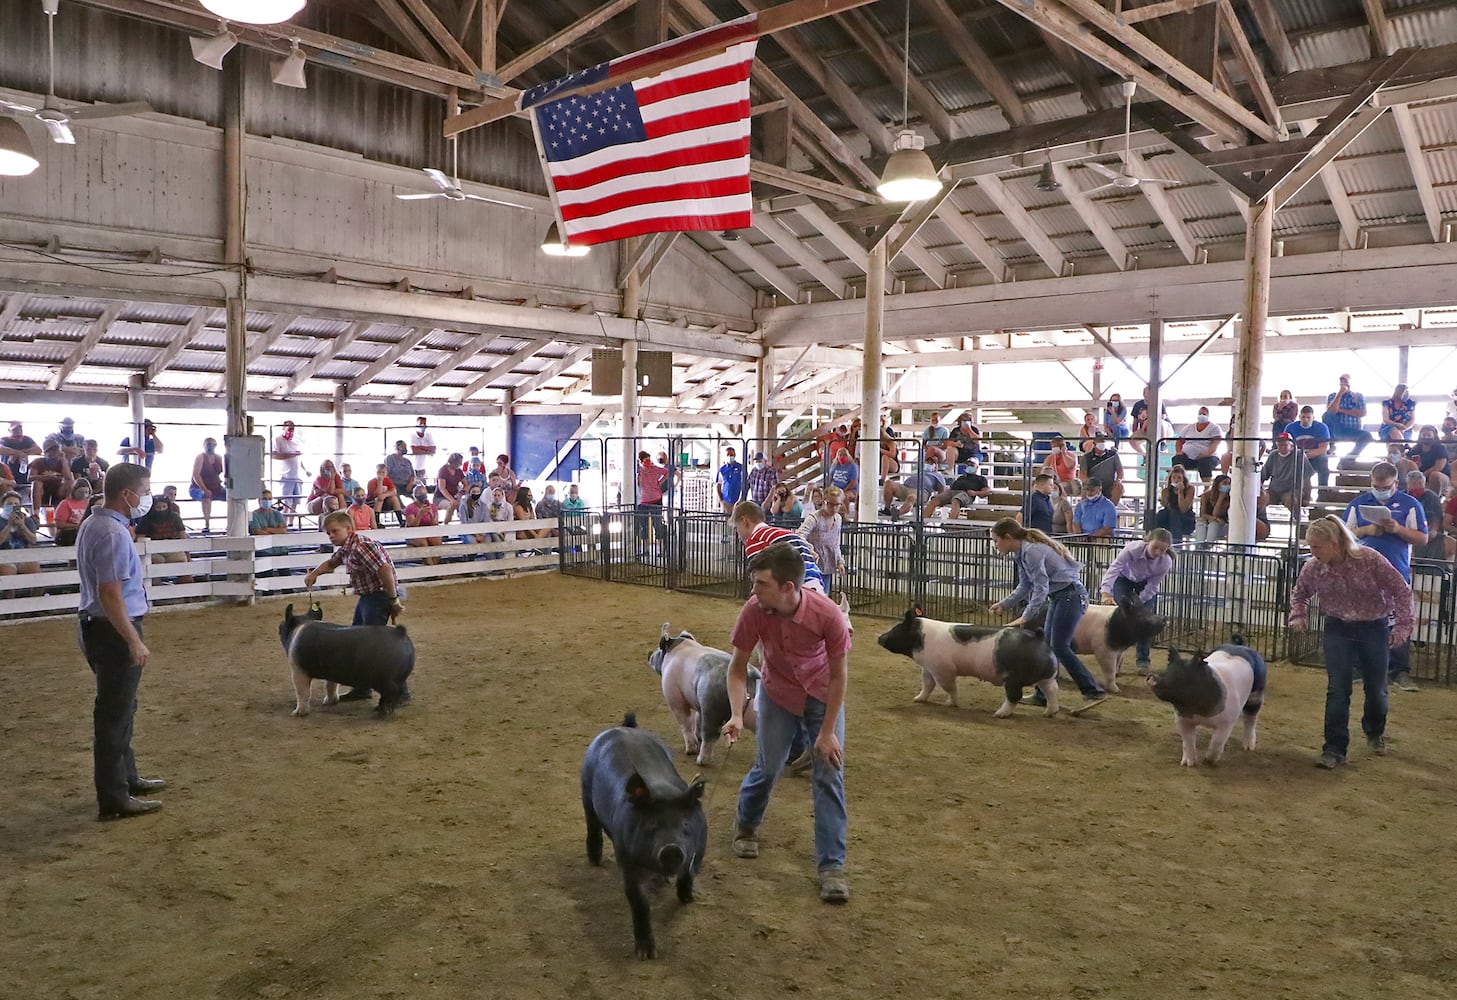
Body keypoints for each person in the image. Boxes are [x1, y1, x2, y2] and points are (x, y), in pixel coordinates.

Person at [721, 542, 851, 904]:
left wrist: (826, 734)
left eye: (760, 583)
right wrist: (735, 713)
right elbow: (735, 670)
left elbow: (840, 677)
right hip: (777, 693)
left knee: (829, 771)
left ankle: (831, 866)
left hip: (823, 695)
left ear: (787, 588)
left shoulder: (828, 616)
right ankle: (746, 825)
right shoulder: (754, 611)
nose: (753, 591)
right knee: (769, 766)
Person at [75, 462, 165, 821]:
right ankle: (114, 797)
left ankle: (126, 779)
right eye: (144, 490)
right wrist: (133, 640)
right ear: (126, 494)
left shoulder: (95, 524)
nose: (146, 496)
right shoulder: (112, 533)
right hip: (113, 628)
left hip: (97, 626)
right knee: (114, 714)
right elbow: (110, 593)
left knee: (121, 707)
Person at [1289, 516, 1414, 769]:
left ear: (1334, 544)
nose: (1312, 552)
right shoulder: (1314, 567)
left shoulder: (1369, 559)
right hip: (1337, 627)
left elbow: (1402, 590)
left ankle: (1374, 731)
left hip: (1374, 627)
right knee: (1337, 688)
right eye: (1310, 547)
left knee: (1376, 689)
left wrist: (1402, 625)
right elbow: (1300, 592)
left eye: (1316, 547)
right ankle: (1334, 748)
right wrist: (1298, 614)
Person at [989, 518, 1108, 710]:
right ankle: (1043, 694)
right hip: (1062, 597)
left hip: (1070, 597)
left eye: (996, 540)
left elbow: (1041, 588)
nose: (996, 545)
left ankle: (1093, 690)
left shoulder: (1032, 552)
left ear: (1008, 537)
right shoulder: (1022, 552)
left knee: (1059, 646)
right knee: (1049, 645)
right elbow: (1025, 585)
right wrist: (1004, 603)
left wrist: (1027, 616)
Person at [304, 509, 406, 702]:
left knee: (373, 646)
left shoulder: (360, 546)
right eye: (328, 533)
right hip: (369, 598)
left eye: (334, 531)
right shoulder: (349, 547)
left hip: (377, 597)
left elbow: (385, 570)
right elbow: (332, 563)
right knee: (360, 643)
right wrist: (315, 574)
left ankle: (400, 692)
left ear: (348, 529)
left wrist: (393, 600)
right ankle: (363, 687)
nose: (331, 536)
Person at [1343, 461, 1426, 692]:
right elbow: (1343, 533)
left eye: (1385, 486)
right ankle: (1359, 667)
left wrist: (1397, 529)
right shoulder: (1358, 503)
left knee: (1399, 620)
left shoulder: (1410, 505)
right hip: (1362, 572)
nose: (1380, 490)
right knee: (1360, 619)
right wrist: (1366, 531)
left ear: (1395, 484)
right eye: (1376, 486)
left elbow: (1422, 538)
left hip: (1396, 572)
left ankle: (1398, 670)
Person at [1099, 528, 1174, 673]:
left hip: (1145, 585)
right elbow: (1115, 568)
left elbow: (1153, 585)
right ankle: (1115, 660)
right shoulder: (1132, 549)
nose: (1158, 552)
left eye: (1163, 550)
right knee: (1120, 618)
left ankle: (1142, 661)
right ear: (1147, 542)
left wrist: (1139, 603)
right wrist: (1105, 592)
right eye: (1155, 547)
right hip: (1123, 579)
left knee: (1146, 623)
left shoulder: (1165, 562)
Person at [133, 488, 192, 584]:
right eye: (158, 507)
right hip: (153, 551)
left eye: (164, 507)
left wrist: (187, 554)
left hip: (173, 549)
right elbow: (140, 537)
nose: (161, 510)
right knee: (154, 564)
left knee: (182, 564)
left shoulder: (175, 517)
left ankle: (188, 594)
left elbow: (182, 536)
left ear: (168, 506)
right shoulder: (147, 519)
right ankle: (155, 593)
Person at [1260, 432, 1314, 514]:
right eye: (1279, 445)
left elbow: (1307, 478)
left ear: (1291, 445)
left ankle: (1300, 523)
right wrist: (1260, 491)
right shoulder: (1273, 455)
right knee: (1261, 499)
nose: (1282, 447)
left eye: (1285, 445)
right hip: (1274, 490)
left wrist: (1307, 496)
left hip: (1292, 490)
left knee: (1291, 500)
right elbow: (1263, 475)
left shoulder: (1299, 455)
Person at [798, 487, 845, 580]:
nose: (834, 508)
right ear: (824, 501)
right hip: (813, 565)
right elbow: (799, 534)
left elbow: (836, 543)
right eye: (830, 504)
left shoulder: (838, 518)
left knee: (825, 593)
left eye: (837, 505)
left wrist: (840, 562)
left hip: (829, 564)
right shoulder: (814, 518)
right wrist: (810, 549)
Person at [1323, 373, 1372, 456]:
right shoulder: (1332, 396)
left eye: (1345, 380)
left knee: (1367, 436)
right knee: (1326, 416)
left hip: (1353, 430)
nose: (1343, 383)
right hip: (1337, 429)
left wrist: (1341, 410)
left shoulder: (1358, 396)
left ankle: (1351, 456)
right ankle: (1331, 446)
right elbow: (1330, 412)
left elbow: (1362, 412)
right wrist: (1340, 394)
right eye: (1341, 381)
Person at [28, 439, 73, 527]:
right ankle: (36, 515)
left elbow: (68, 478)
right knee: (37, 483)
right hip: (42, 492)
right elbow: (30, 478)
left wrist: (63, 460)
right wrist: (47, 477)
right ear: (46, 452)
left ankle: (70, 512)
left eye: (56, 450)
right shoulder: (38, 462)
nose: (54, 453)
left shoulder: (61, 462)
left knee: (69, 483)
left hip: (57, 491)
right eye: (51, 450)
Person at [634, 450, 670, 559]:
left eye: (649, 460)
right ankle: (645, 549)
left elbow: (667, 472)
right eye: (646, 461)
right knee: (643, 527)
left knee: (657, 525)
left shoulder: (654, 469)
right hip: (643, 501)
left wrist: (659, 482)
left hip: (655, 500)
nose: (648, 462)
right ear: (640, 461)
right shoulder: (638, 471)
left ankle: (661, 549)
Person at [1404, 470, 1445, 562]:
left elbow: (1436, 517)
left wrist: (1434, 529)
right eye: (1414, 483)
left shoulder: (1432, 497)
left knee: (1437, 538)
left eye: (1420, 483)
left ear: (1424, 483)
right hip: (1407, 530)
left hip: (1427, 530)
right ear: (1408, 484)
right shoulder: (1403, 497)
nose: (1417, 485)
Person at [1173, 407, 1223, 480]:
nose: (1202, 415)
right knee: (1177, 459)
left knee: (1205, 464)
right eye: (1200, 414)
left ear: (1208, 416)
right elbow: (1179, 441)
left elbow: (1215, 443)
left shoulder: (1215, 428)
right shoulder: (1189, 427)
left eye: (1204, 414)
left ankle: (1207, 487)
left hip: (1208, 457)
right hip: (1188, 457)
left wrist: (1206, 454)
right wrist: (1179, 452)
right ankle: (1177, 483)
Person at [0, 489, 41, 577]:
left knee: (36, 571)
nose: (13, 506)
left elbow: (33, 540)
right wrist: (9, 526)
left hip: (23, 556)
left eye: (16, 504)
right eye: (9, 504)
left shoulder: (28, 520)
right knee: (7, 573)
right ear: (3, 506)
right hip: (3, 557)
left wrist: (22, 526)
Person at [924, 465, 990, 520]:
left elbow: (986, 491)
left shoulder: (981, 479)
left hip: (966, 493)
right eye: (968, 465)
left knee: (956, 500)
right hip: (952, 492)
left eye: (972, 465)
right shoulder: (961, 477)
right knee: (935, 500)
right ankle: (923, 521)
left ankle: (951, 524)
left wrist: (975, 493)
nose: (970, 466)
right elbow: (952, 487)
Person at [189, 437, 226, 534]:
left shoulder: (219, 458)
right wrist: (204, 489)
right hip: (198, 487)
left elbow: (226, 473)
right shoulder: (200, 457)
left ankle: (232, 522)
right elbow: (196, 475)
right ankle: (207, 524)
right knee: (205, 496)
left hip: (216, 487)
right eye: (208, 444)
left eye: (213, 444)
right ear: (204, 445)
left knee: (232, 496)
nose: (211, 446)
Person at [1290, 405, 1334, 486]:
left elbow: (1323, 449)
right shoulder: (1290, 427)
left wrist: (1306, 456)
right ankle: (1294, 490)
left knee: (1323, 459)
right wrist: (1301, 456)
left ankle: (1323, 490)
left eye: (1308, 417)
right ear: (1299, 417)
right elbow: (1287, 446)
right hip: (1297, 457)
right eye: (1303, 417)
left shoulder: (1322, 428)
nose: (1305, 420)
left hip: (1316, 457)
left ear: (1313, 417)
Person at [881, 467, 945, 520]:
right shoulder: (920, 471)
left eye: (932, 462)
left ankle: (898, 513)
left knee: (911, 497)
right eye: (928, 461)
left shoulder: (939, 476)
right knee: (889, 483)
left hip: (921, 491)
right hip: (906, 487)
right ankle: (887, 509)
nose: (929, 464)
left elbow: (942, 491)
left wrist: (935, 499)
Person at [1404, 425, 1450, 495]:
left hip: (1441, 476)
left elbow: (1438, 467)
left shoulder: (1440, 448)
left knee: (1434, 475)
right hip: (1420, 476)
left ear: (1434, 436)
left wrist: (1422, 476)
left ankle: (1434, 499)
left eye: (1429, 435)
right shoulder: (1415, 449)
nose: (1426, 437)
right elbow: (1406, 459)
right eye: (1424, 435)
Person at [1155, 467, 1196, 543]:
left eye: (1179, 478)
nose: (1176, 480)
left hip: (1186, 519)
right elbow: (1168, 507)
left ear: (1183, 479)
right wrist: (1164, 501)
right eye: (1173, 478)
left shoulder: (1190, 489)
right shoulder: (1166, 491)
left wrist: (1180, 492)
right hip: (1169, 519)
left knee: (1175, 513)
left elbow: (1183, 508)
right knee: (1160, 514)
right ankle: (1154, 540)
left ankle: (1176, 545)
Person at [1079, 431, 1124, 502]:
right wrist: (1089, 482)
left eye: (1103, 440)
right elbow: (1082, 473)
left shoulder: (1113, 455)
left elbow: (1120, 470)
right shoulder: (1087, 457)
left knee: (1119, 488)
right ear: (1094, 443)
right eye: (1099, 441)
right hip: (1093, 484)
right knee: (1085, 489)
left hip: (1109, 485)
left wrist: (1118, 480)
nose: (1102, 442)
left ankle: (1110, 509)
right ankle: (1087, 509)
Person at [248, 490, 289, 564]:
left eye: (269, 499)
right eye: (264, 499)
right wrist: (276, 531)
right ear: (259, 500)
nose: (267, 501)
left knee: (285, 571)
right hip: (263, 550)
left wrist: (267, 529)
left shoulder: (277, 513)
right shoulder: (254, 515)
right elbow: (257, 531)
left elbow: (283, 530)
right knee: (266, 573)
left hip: (280, 549)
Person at [404, 485, 442, 564]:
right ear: (415, 496)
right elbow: (412, 526)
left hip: (428, 532)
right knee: (423, 543)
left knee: (437, 542)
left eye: (424, 493)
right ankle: (430, 567)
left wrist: (431, 514)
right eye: (420, 493)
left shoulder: (433, 507)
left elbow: (435, 524)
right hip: (413, 534)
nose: (423, 495)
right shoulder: (410, 508)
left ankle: (434, 567)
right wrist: (420, 514)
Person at [270, 420, 304, 503]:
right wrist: (290, 455)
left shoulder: (295, 441)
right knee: (286, 501)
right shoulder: (278, 439)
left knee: (296, 501)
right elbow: (273, 455)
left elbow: (298, 458)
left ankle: (291, 516)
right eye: (289, 428)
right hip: (285, 476)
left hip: (296, 476)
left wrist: (305, 470)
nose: (291, 430)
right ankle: (285, 516)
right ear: (283, 428)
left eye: (293, 428)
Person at [1194, 474, 1232, 543]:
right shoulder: (1206, 495)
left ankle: (1209, 545)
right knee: (1201, 522)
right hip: (1208, 521)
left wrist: (1221, 498)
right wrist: (1213, 518)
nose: (1227, 485)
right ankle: (1199, 545)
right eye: (1224, 483)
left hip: (1221, 524)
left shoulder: (1228, 499)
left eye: (1229, 483)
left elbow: (1216, 513)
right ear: (1217, 484)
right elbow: (1202, 514)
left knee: (1213, 524)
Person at [54, 479, 92, 546]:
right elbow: (59, 524)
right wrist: (77, 526)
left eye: (86, 492)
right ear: (74, 491)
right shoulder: (65, 503)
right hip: (69, 532)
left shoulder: (90, 503)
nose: (84, 495)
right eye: (81, 492)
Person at [1, 420, 40, 486]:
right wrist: (18, 453)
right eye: (15, 429)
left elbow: (38, 450)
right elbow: (1, 449)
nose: (18, 430)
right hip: (8, 469)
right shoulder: (4, 439)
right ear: (9, 430)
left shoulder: (27, 439)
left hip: (23, 468)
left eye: (19, 428)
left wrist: (23, 453)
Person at [827, 447, 859, 520]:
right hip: (836, 489)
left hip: (850, 490)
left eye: (844, 455)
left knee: (844, 496)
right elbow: (830, 479)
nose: (842, 457)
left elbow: (853, 482)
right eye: (840, 455)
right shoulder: (834, 465)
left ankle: (846, 515)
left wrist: (843, 490)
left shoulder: (852, 466)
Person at [434, 452, 466, 525]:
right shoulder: (443, 470)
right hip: (441, 497)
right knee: (451, 505)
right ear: (453, 462)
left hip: (455, 496)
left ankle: (464, 522)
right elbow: (442, 488)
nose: (460, 465)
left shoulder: (458, 471)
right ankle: (446, 524)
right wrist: (451, 499)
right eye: (458, 463)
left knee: (465, 503)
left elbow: (466, 483)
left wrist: (462, 492)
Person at [715, 446, 745, 518]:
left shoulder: (741, 468)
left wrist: (741, 498)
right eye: (728, 455)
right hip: (727, 501)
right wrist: (721, 500)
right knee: (727, 522)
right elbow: (718, 485)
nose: (730, 457)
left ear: (735, 455)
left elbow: (745, 483)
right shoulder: (722, 470)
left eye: (731, 455)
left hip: (739, 501)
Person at [409, 416, 436, 484]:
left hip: (423, 468)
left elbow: (434, 449)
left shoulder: (428, 435)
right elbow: (414, 450)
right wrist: (428, 451)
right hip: (413, 469)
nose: (423, 426)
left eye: (424, 424)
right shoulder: (412, 435)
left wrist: (419, 448)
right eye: (421, 424)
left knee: (423, 487)